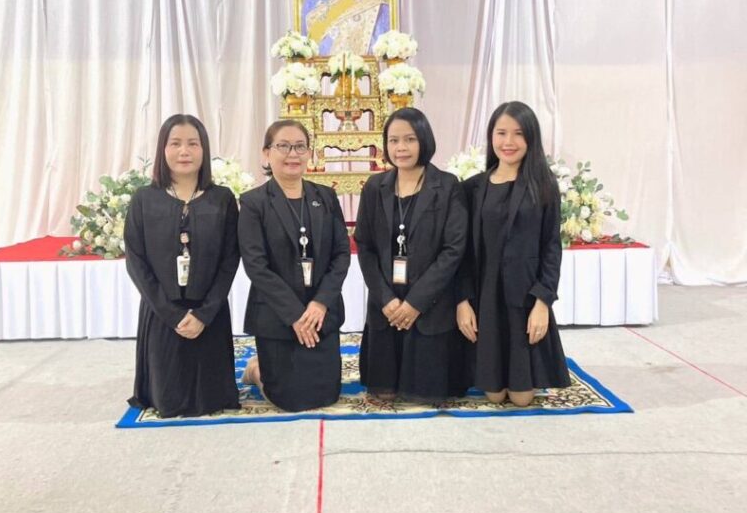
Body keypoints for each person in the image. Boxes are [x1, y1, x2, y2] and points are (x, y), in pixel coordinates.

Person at [125, 114, 241, 418]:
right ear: (163, 149)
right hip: (162, 313)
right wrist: (172, 314)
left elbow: (230, 260)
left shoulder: (222, 199)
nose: (184, 151)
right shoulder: (144, 199)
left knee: (213, 400)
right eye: (175, 143)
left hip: (209, 312)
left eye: (193, 143)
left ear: (204, 149)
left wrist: (204, 313)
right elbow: (136, 262)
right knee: (168, 400)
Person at [456, 100, 571, 407]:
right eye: (501, 133)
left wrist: (543, 302)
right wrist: (462, 301)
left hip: (524, 297)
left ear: (531, 138)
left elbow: (551, 247)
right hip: (485, 298)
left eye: (518, 133)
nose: (509, 142)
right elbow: (462, 252)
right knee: (495, 396)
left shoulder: (543, 186)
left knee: (521, 398)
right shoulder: (473, 188)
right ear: (491, 137)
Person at [354, 107, 468, 403]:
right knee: (384, 393)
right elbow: (364, 246)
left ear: (424, 140)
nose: (400, 148)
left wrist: (416, 302)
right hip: (387, 304)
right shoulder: (375, 187)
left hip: (430, 304)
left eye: (409, 139)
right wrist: (386, 299)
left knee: (425, 394)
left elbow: (453, 250)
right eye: (393, 140)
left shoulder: (447, 186)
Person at [238, 120, 351, 412]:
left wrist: (320, 304)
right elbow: (256, 266)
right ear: (266, 153)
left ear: (309, 153)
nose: (293, 154)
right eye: (283, 146)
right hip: (278, 316)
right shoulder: (253, 203)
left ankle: (264, 365)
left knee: (327, 395)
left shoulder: (325, 197)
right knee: (288, 400)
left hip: (320, 313)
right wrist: (295, 316)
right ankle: (257, 370)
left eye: (300, 146)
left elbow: (341, 254)